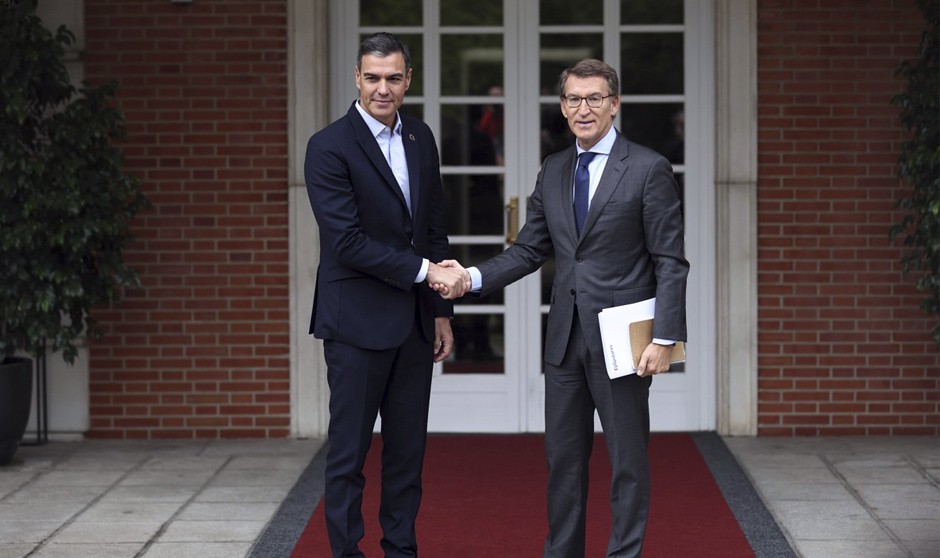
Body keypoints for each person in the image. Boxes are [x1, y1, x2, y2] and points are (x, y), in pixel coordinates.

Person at [435, 59, 689, 557]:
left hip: (625, 343)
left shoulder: (647, 167)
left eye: (595, 98)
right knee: (564, 466)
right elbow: (530, 250)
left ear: (614, 104)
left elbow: (670, 261)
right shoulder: (554, 169)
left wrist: (665, 338)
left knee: (628, 465)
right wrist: (470, 278)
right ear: (562, 107)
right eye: (574, 98)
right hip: (564, 342)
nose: (584, 108)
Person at [304, 32, 469, 557]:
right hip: (355, 324)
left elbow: (433, 228)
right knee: (348, 456)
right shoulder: (328, 146)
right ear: (357, 77)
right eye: (372, 77)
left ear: (408, 80)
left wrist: (441, 312)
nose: (383, 88)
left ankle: (401, 551)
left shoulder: (420, 138)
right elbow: (348, 242)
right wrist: (427, 273)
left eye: (393, 78)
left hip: (415, 326)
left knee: (406, 457)